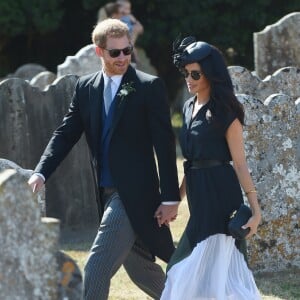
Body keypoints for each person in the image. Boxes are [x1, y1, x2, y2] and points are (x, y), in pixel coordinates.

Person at [28, 19, 180, 300]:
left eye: (127, 51)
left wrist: (170, 197)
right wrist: (41, 172)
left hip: (133, 194)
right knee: (141, 270)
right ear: (99, 52)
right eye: (115, 52)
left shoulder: (149, 87)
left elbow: (165, 145)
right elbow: (65, 134)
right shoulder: (86, 88)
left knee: (96, 267)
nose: (123, 57)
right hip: (105, 193)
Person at [160, 37, 262, 299]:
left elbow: (239, 164)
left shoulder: (226, 112)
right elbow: (192, 163)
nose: (189, 78)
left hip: (221, 195)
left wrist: (256, 211)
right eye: (186, 73)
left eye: (196, 73)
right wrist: (176, 201)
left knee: (192, 269)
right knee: (197, 269)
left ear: (211, 75)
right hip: (198, 195)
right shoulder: (187, 107)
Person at [117, 0, 143, 64]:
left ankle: (136, 58)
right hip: (123, 32)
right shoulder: (117, 16)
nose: (127, 10)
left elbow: (136, 23)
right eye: (125, 8)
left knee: (131, 44)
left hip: (130, 32)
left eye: (128, 8)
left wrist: (136, 25)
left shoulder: (129, 16)